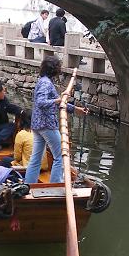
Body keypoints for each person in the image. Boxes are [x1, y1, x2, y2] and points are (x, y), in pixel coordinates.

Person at [24, 56, 87, 184]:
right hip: (47, 125)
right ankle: (56, 184)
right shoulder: (46, 83)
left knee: (36, 158)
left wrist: (76, 109)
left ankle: (29, 185)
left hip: (37, 125)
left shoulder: (44, 81)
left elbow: (59, 103)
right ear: (54, 69)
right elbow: (41, 102)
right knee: (60, 156)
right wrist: (57, 100)